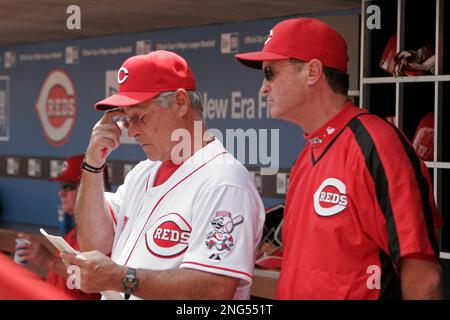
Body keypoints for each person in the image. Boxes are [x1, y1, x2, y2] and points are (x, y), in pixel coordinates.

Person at [234, 17, 443, 299]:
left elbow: (423, 279)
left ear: (312, 72)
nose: (263, 88)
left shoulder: (378, 145)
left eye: (271, 73)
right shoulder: (307, 156)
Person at [61, 50, 265, 300]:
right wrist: (93, 164)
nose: (132, 131)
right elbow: (95, 245)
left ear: (180, 102)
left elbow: (215, 288)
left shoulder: (223, 181)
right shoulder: (143, 172)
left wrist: (122, 278)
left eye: (139, 117)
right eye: (127, 119)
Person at [16, 155, 102, 300]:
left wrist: (49, 260)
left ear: (91, 187)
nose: (61, 193)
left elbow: (98, 283)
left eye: (68, 186)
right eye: (61, 186)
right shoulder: (73, 232)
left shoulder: (105, 236)